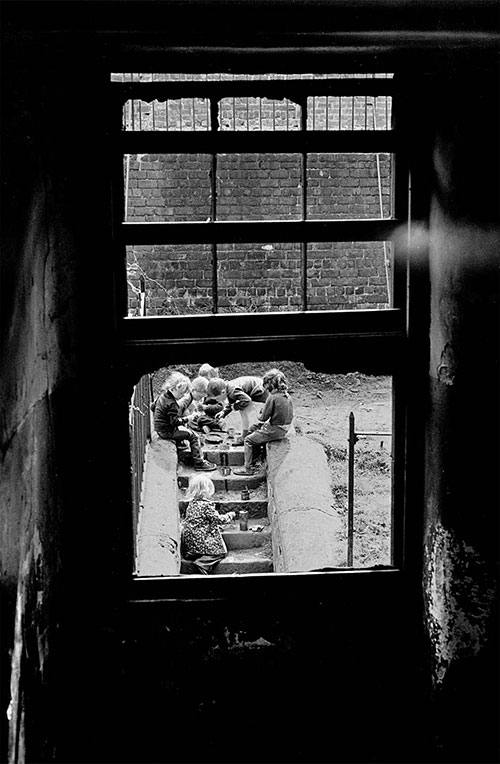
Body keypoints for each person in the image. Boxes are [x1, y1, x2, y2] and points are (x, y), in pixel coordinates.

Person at [234, 368, 294, 475]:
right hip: (285, 428)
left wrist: (260, 413)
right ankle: (256, 459)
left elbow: (262, 418)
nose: (265, 389)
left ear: (270, 385)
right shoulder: (287, 396)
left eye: (266, 385)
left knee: (248, 440)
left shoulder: (272, 398)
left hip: (276, 430)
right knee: (253, 428)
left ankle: (247, 468)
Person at [151, 371, 215, 471]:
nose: (182, 396)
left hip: (160, 429)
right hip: (167, 431)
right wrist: (188, 419)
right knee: (194, 436)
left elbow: (152, 407)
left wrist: (160, 418)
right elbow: (174, 422)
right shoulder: (173, 404)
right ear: (174, 388)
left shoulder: (162, 396)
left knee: (186, 432)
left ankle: (182, 445)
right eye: (181, 393)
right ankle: (199, 462)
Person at [181, 475, 236, 574]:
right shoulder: (207, 505)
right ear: (206, 490)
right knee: (221, 553)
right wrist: (229, 515)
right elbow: (219, 519)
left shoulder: (191, 504)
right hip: (201, 541)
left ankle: (195, 555)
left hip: (190, 543)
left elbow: (199, 521)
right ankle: (203, 563)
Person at [208, 374, 269, 444]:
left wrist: (235, 407)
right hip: (256, 390)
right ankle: (248, 432)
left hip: (260, 392)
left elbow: (247, 400)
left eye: (217, 398)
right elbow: (232, 402)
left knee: (243, 409)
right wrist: (224, 412)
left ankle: (245, 436)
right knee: (243, 408)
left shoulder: (232, 391)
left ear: (223, 392)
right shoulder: (228, 389)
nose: (218, 401)